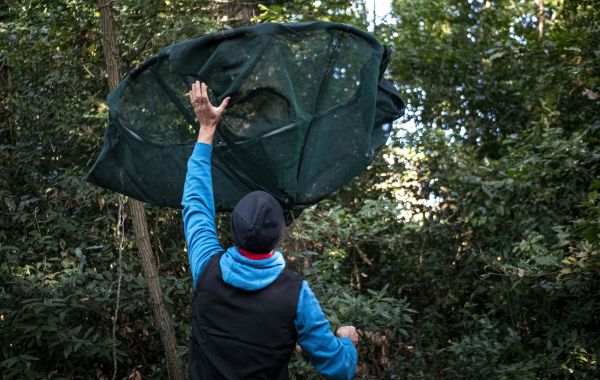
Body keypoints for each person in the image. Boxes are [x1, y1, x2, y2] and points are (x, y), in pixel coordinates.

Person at [182, 80, 359, 380]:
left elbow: (195, 204)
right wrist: (347, 341)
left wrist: (207, 129)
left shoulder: (206, 268)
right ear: (278, 237)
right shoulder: (295, 296)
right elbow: (340, 368)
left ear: (233, 228)